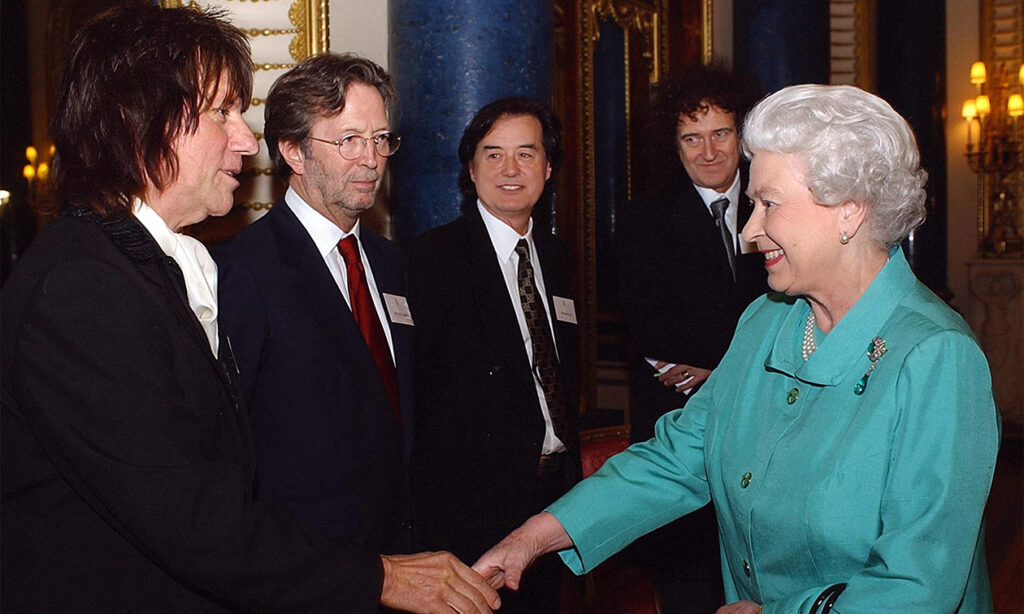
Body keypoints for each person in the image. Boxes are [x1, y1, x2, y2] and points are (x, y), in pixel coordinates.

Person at [0, 5, 498, 613]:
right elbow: (192, 519)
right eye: (222, 113)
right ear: (141, 122)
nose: (245, 139)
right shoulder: (82, 286)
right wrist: (383, 578)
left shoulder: (146, 265)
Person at [474, 84, 1000, 614]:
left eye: (768, 203)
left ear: (850, 210)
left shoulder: (937, 358)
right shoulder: (764, 321)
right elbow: (681, 457)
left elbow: (918, 583)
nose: (750, 230)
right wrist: (535, 536)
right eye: (752, 204)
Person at [216, 53, 416, 563]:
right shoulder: (244, 271)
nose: (371, 159)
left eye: (380, 139)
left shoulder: (393, 266)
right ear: (294, 152)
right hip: (306, 567)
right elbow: (229, 452)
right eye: (349, 140)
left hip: (403, 553)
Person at [406, 97, 580, 614]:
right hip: (469, 514)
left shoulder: (559, 256)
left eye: (526, 155)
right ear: (471, 168)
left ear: (547, 169)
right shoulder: (428, 262)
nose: (510, 170)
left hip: (552, 502)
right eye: (493, 154)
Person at [614, 63, 768, 612]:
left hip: (769, 429)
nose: (708, 151)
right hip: (682, 429)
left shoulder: (779, 210)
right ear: (672, 145)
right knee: (690, 585)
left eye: (720, 133)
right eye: (691, 137)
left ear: (743, 136)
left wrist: (722, 371)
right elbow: (651, 327)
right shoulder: (642, 221)